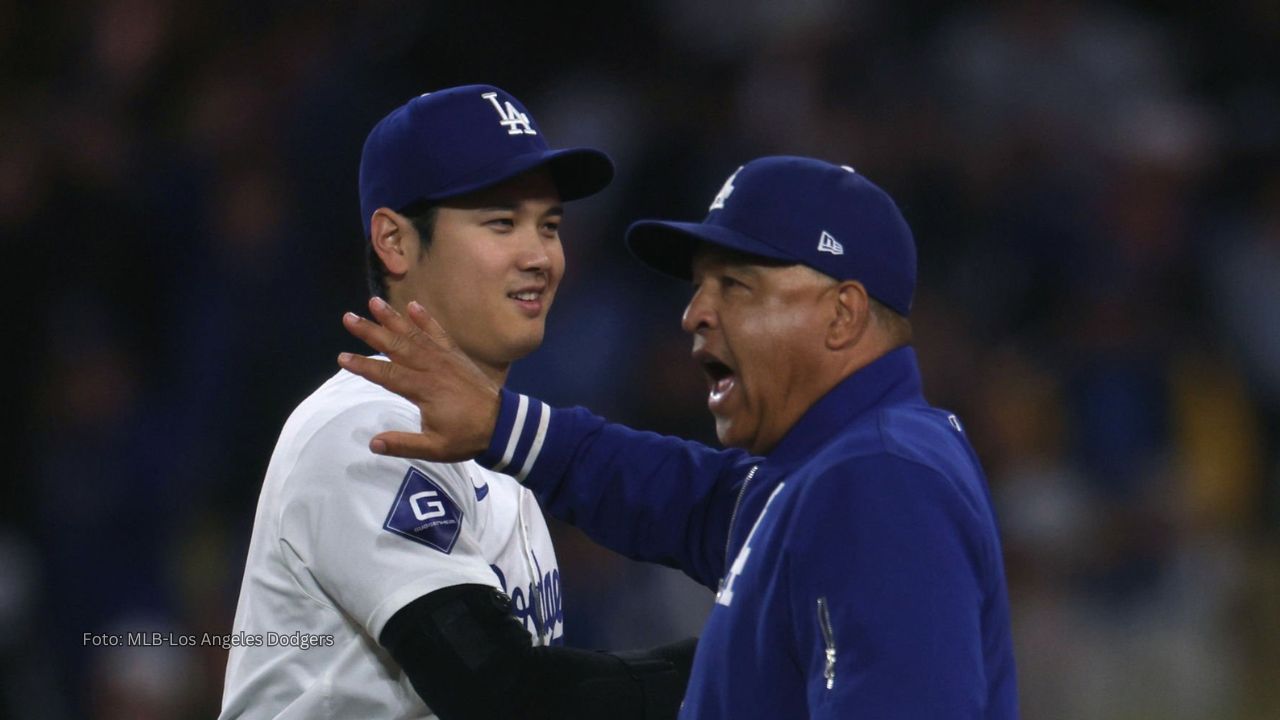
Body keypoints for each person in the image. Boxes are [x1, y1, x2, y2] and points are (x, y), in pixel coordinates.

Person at [339, 155, 1020, 718]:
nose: (695, 314)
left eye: (737, 286)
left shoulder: (877, 480)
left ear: (841, 315)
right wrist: (501, 424)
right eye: (699, 287)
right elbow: (680, 495)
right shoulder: (824, 473)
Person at [220, 85, 696, 720]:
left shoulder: (493, 443)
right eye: (501, 222)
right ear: (394, 241)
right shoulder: (367, 426)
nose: (540, 257)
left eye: (549, 225)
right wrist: (741, 660)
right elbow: (502, 694)